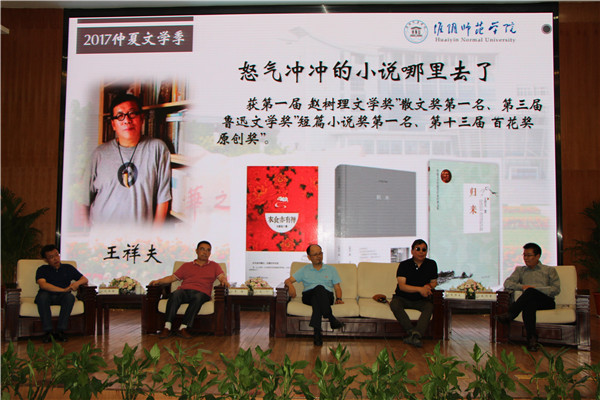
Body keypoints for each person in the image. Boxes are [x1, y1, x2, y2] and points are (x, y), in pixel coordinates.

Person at [87, 93, 172, 227]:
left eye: (132, 114)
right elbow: (82, 199)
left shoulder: (157, 149)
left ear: (142, 118)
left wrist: (154, 236)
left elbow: (163, 199)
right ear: (113, 124)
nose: (126, 120)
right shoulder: (99, 154)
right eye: (120, 116)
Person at [149, 241, 229, 339]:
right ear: (196, 251)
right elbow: (172, 278)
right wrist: (158, 281)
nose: (205, 252)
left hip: (202, 293)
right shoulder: (186, 266)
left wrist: (224, 281)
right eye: (202, 249)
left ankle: (183, 328)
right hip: (185, 290)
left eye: (208, 250)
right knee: (175, 294)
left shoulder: (214, 266)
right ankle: (167, 327)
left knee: (198, 297)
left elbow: (221, 277)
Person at [497, 242, 560, 351]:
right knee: (529, 304)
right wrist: (522, 287)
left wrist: (537, 289)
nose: (525, 258)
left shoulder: (549, 270)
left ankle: (511, 314)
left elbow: (556, 289)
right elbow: (507, 283)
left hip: (546, 301)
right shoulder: (520, 270)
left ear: (537, 256)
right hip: (530, 301)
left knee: (531, 291)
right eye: (524, 255)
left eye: (529, 255)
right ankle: (532, 340)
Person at [284, 244, 345, 346]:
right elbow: (287, 281)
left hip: (327, 296)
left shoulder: (331, 269)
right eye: (315, 254)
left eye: (320, 253)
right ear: (309, 257)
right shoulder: (304, 269)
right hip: (308, 296)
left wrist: (339, 298)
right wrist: (290, 286)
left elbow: (337, 287)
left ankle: (317, 334)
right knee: (318, 290)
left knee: (318, 295)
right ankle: (330, 318)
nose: (318, 256)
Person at [35, 244, 89, 343]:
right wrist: (63, 290)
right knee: (42, 297)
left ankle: (61, 331)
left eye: (56, 255)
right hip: (47, 295)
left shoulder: (68, 268)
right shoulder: (42, 269)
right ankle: (48, 332)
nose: (55, 258)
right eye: (51, 257)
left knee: (70, 298)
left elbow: (84, 279)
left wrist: (76, 283)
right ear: (46, 260)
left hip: (62, 296)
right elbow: (43, 285)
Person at [390, 239, 438, 348]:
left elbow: (434, 282)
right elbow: (402, 286)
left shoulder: (431, 264)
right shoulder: (404, 265)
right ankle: (412, 332)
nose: (421, 252)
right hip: (403, 298)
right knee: (394, 304)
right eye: (418, 249)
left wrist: (429, 286)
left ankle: (416, 335)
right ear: (412, 251)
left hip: (421, 300)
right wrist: (420, 289)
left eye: (424, 250)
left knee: (429, 306)